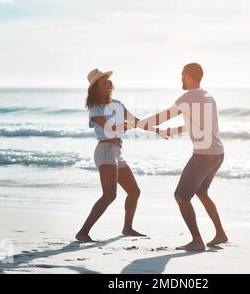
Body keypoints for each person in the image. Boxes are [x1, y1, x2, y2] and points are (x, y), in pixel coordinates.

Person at [138, 63, 227, 251]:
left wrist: (139, 123)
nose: (180, 78)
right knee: (201, 192)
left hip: (203, 156)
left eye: (181, 75)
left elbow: (162, 117)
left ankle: (197, 240)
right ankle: (220, 233)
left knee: (181, 196)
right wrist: (176, 130)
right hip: (218, 154)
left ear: (188, 75)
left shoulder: (188, 97)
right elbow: (200, 125)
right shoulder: (208, 96)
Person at [75, 68, 167, 242]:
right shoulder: (96, 109)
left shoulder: (117, 104)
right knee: (109, 195)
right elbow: (110, 127)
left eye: (108, 80)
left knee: (134, 191)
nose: (108, 83)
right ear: (96, 88)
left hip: (117, 153)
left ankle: (127, 228)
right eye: (104, 82)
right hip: (105, 151)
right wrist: (127, 124)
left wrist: (158, 130)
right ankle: (83, 232)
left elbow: (137, 121)